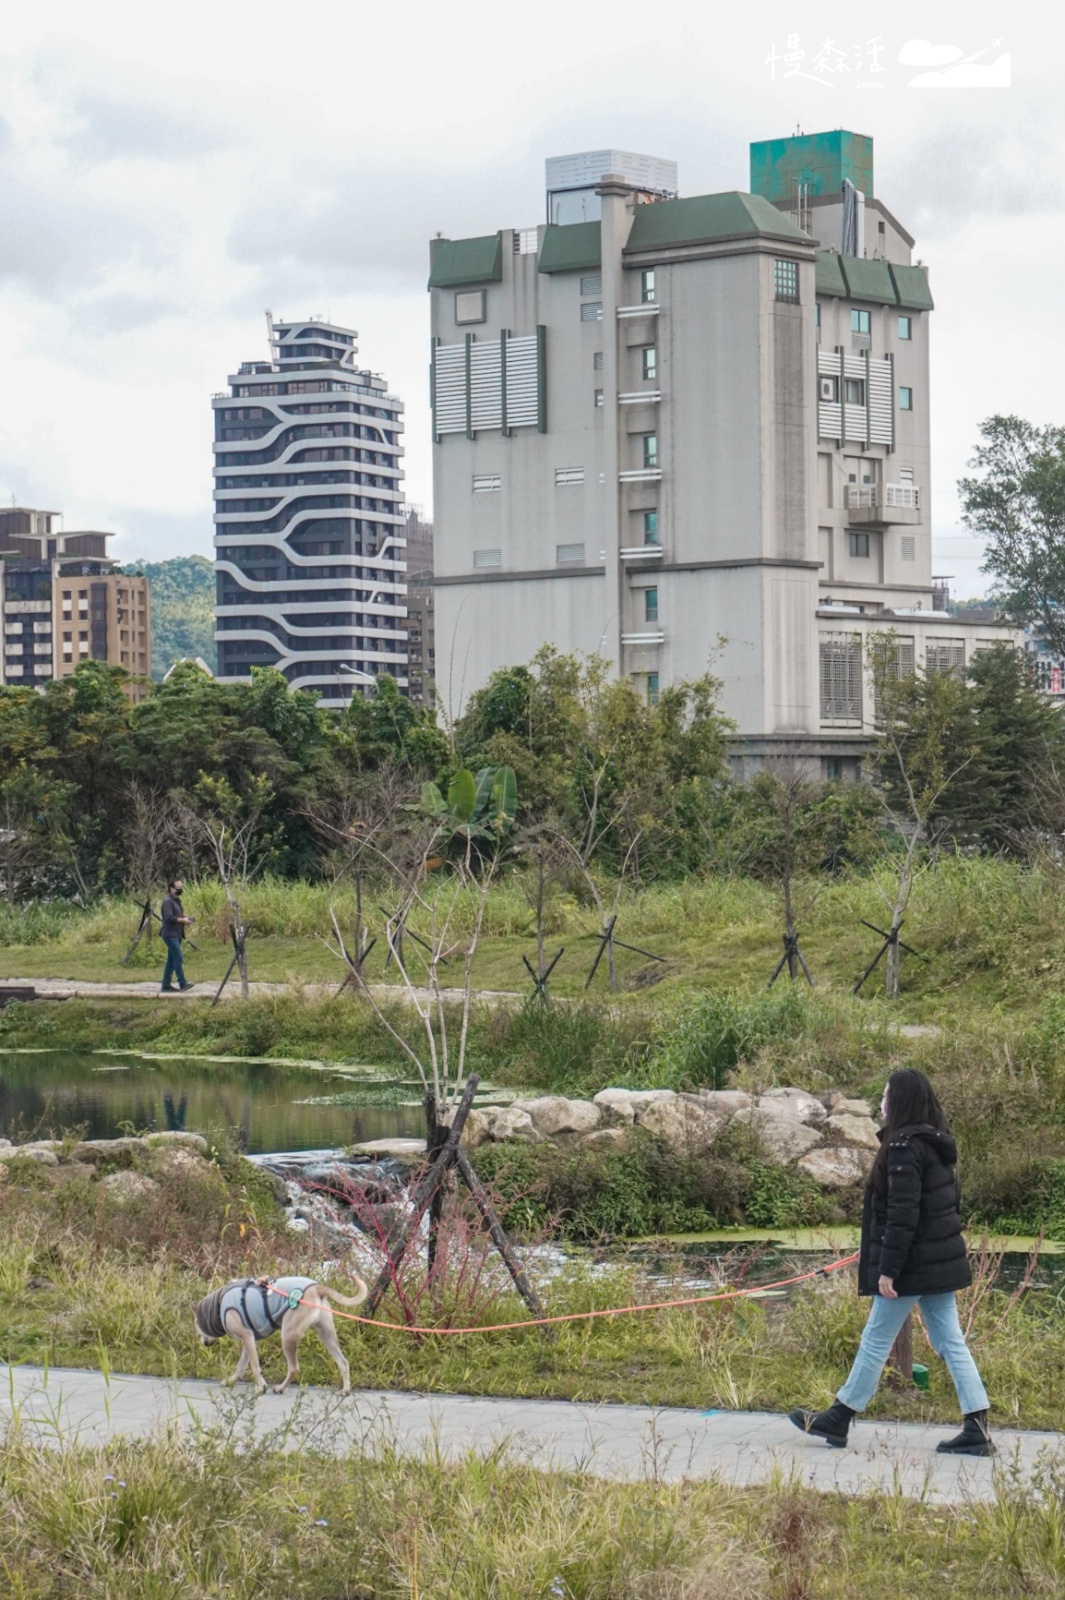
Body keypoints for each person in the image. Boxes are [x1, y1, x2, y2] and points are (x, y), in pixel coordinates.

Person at [788, 1067, 993, 1456]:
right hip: (936, 1263)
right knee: (951, 1342)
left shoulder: (902, 1147)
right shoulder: (934, 1144)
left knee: (876, 1339)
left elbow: (904, 1215)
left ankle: (840, 1415)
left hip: (912, 1267)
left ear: (899, 1101)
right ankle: (977, 1427)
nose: (881, 1102)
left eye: (885, 1095)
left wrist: (888, 1269)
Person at [160, 878, 195, 994]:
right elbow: (169, 918)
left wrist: (186, 919)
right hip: (170, 934)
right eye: (178, 888)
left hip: (177, 933)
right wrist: (182, 920)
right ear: (171, 888)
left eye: (181, 888)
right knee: (178, 957)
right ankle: (182, 983)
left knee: (171, 960)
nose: (180, 890)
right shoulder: (167, 902)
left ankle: (166, 985)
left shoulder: (176, 901)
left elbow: (178, 916)